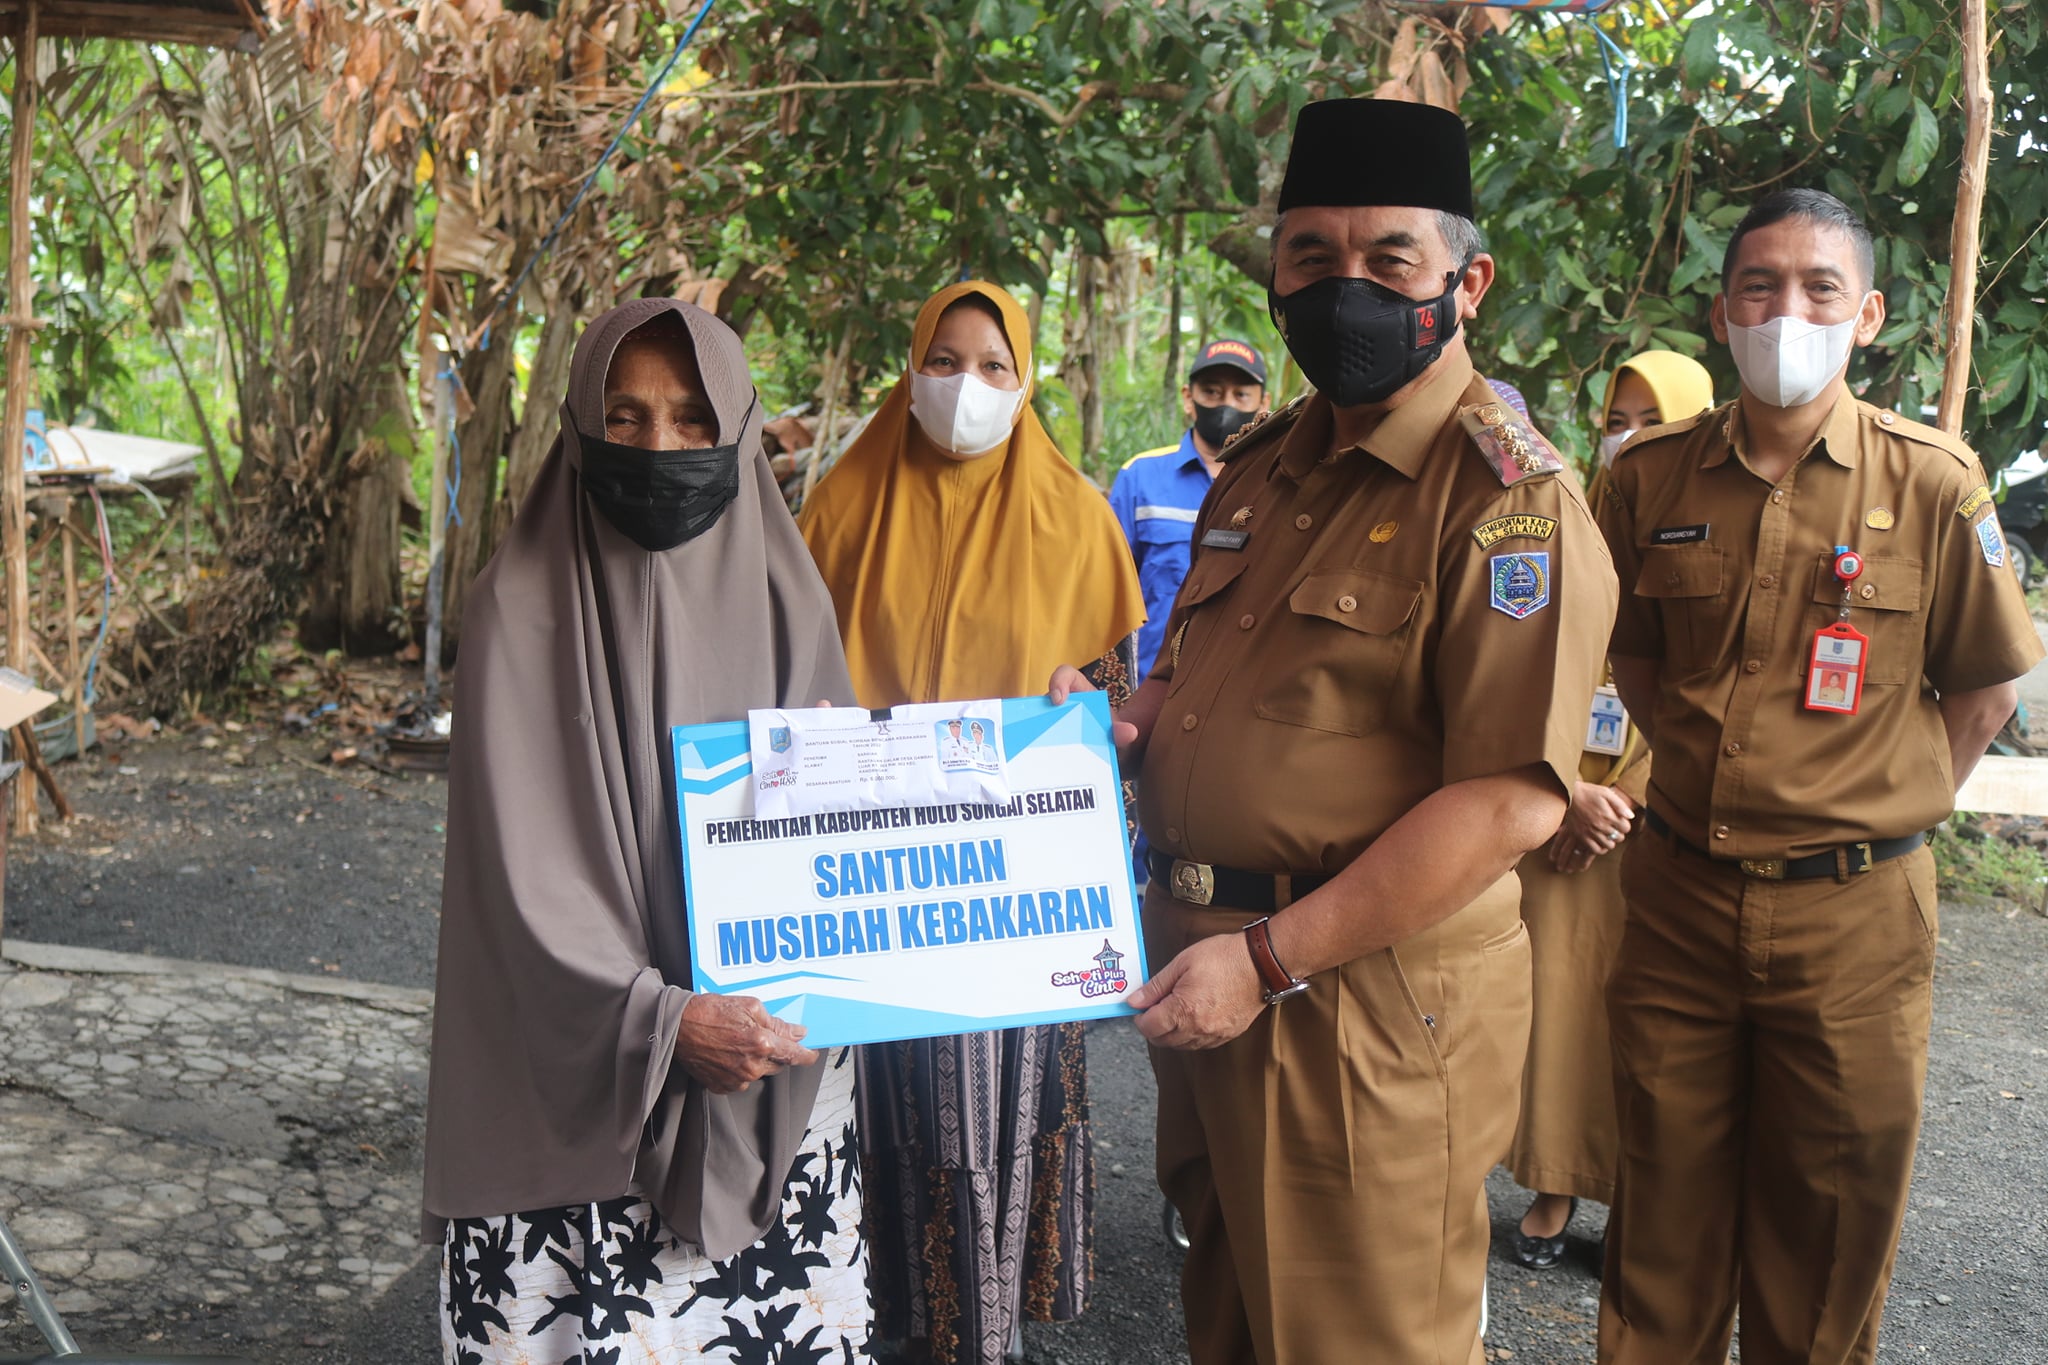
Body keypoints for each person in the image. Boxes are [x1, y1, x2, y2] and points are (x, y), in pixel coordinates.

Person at [1050, 98, 1618, 1363]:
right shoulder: (1261, 467)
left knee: (1360, 1336)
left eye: (1387, 260)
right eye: (1310, 256)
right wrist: (1105, 729)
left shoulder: (1508, 502)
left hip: (1356, 1002)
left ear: (1464, 284)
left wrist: (1263, 963)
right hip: (1203, 968)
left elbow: (1509, 799)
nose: (1342, 288)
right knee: (1233, 1321)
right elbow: (1185, 678)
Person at [1595, 188, 2044, 1365]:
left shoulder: (1933, 480)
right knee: (1659, 1224)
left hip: (1856, 917)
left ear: (1868, 314)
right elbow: (1631, 661)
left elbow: (1984, 695)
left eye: (1817, 288)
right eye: (1757, 286)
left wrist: (1872, 811)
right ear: (1720, 310)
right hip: (1678, 903)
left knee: (1828, 1234)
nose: (1783, 312)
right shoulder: (1646, 480)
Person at [422, 299, 868, 1365]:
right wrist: (664, 1023)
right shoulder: (516, 608)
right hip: (572, 1085)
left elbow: (842, 845)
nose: (659, 448)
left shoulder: (791, 603)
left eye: (690, 419)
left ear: (738, 430)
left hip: (768, 1075)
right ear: (581, 425)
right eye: (624, 417)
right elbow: (520, 889)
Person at [799, 281, 1145, 1365]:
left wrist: (1086, 715)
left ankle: (980, 1338)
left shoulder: (1078, 522)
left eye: (994, 366)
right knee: (862, 1129)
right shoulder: (836, 512)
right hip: (857, 896)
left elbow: (1116, 718)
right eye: (943, 361)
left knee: (983, 1121)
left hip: (1004, 912)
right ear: (910, 370)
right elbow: (779, 685)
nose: (966, 386)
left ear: (1025, 382)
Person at [1505, 350, 1714, 1270]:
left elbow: (1724, 692)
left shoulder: (1727, 531)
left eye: (1652, 420)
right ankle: (1556, 1183)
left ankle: (1643, 1206)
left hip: (1666, 825)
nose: (1628, 437)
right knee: (1562, 1009)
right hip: (1556, 819)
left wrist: (1624, 800)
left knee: (1660, 1025)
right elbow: (1519, 667)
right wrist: (1562, 793)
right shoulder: (1571, 526)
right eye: (1617, 419)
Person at [1109, 339, 1270, 679]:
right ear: (1188, 397)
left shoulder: (1279, 482)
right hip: (1152, 683)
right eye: (1211, 392)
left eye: (1241, 394)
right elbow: (1108, 590)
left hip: (1238, 684)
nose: (1226, 404)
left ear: (1263, 403)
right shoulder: (1140, 476)